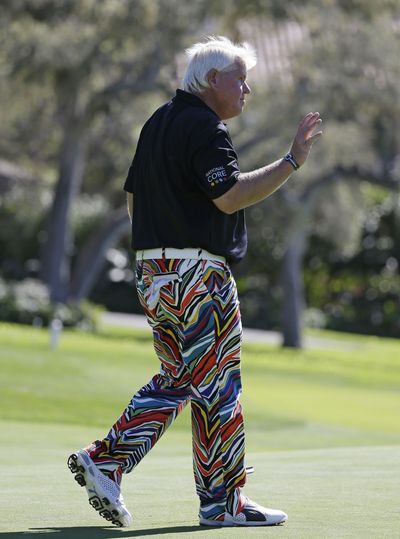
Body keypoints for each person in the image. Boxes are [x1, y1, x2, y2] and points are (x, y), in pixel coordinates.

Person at [68, 35, 322, 528]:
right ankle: (114, 461)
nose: (247, 89)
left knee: (190, 381)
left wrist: (155, 259)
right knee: (214, 383)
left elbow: (133, 201)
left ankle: (214, 502)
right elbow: (228, 196)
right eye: (240, 79)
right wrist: (291, 162)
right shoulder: (206, 127)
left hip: (155, 274)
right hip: (197, 275)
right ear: (211, 81)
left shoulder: (157, 122)